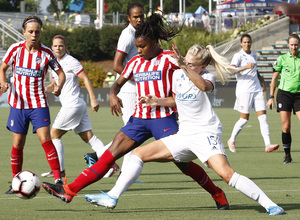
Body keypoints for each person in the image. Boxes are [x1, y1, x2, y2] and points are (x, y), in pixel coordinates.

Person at [41, 13, 229, 210]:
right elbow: (117, 85)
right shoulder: (134, 63)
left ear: (154, 42)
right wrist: (113, 94)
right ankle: (69, 190)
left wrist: (206, 79)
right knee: (108, 155)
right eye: (137, 46)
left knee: (183, 164)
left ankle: (217, 192)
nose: (138, 50)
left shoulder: (170, 59)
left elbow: (194, 73)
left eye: (142, 46)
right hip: (138, 119)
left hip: (164, 119)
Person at [84, 44, 286, 216]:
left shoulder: (207, 76)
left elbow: (203, 87)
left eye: (191, 64)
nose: (186, 65)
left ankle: (270, 204)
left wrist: (183, 66)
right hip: (184, 135)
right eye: (185, 61)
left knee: (227, 175)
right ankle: (112, 197)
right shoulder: (179, 74)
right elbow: (177, 100)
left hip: (206, 134)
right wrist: (157, 101)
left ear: (202, 66)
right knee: (137, 154)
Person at [0, 16, 65, 194]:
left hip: (38, 103)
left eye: (37, 31)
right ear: (24, 33)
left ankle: (58, 180)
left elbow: (61, 74)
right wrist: (3, 82)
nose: (34, 35)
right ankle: (16, 182)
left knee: (45, 139)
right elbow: (3, 67)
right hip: (18, 104)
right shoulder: (15, 49)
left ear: (40, 32)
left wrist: (58, 86)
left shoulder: (46, 53)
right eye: (30, 32)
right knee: (18, 143)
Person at [84, 3, 144, 179]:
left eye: (141, 16)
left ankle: (98, 156)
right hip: (129, 90)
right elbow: (117, 65)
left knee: (132, 132)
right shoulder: (128, 35)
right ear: (128, 18)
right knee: (132, 134)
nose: (139, 19)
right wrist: (137, 78)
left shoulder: (139, 32)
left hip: (136, 89)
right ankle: (123, 173)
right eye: (136, 17)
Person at [40, 35, 109, 178]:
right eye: (55, 46)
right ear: (52, 47)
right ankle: (108, 166)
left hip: (73, 104)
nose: (58, 48)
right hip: (77, 105)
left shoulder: (71, 61)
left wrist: (93, 99)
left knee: (53, 135)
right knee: (88, 137)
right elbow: (53, 85)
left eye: (61, 46)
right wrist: (39, 89)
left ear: (66, 47)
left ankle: (59, 171)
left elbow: (85, 78)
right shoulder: (54, 64)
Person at [227, 34, 279, 153]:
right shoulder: (238, 56)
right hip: (244, 90)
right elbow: (231, 70)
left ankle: (267, 144)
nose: (247, 44)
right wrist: (245, 67)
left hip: (256, 89)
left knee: (263, 117)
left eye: (249, 42)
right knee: (244, 119)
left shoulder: (254, 55)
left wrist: (261, 80)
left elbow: (254, 70)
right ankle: (231, 139)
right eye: (244, 42)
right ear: (241, 43)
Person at [267, 33, 300, 164]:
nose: (294, 47)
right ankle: (287, 155)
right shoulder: (281, 59)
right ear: (288, 45)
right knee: (286, 127)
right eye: (291, 45)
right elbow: (274, 79)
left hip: (299, 95)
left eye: (296, 44)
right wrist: (271, 97)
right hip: (284, 94)